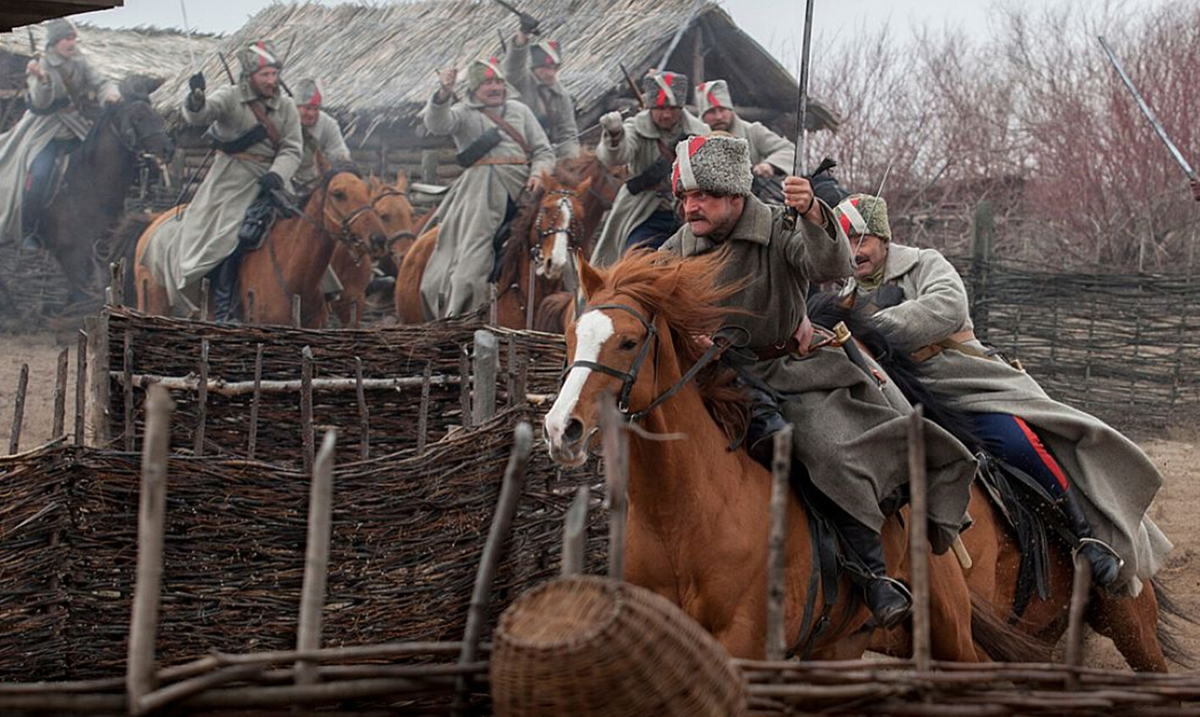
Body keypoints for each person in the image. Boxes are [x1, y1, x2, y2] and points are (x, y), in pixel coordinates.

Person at [660, 136, 978, 628]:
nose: (690, 207)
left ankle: (872, 575)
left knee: (829, 451)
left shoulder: (779, 227)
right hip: (716, 381)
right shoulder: (677, 248)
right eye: (685, 197)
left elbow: (831, 266)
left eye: (701, 195)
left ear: (733, 195)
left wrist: (811, 213)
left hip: (790, 373)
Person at [836, 193, 1172, 593]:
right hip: (900, 399)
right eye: (847, 243)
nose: (856, 253)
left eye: (862, 240)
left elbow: (947, 306)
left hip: (963, 385)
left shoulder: (925, 264)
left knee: (1016, 441)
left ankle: (1086, 535)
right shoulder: (846, 298)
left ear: (883, 238)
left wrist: (873, 328)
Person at [141, 40, 302, 321]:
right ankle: (224, 308)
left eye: (274, 74)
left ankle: (316, 301)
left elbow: (292, 147)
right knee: (227, 237)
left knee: (305, 231)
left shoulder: (287, 106)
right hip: (231, 181)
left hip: (274, 181)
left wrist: (277, 174)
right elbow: (200, 115)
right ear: (251, 76)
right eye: (265, 75)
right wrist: (196, 99)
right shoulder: (230, 97)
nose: (271, 80)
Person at [420, 58, 554, 319]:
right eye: (488, 83)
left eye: (499, 82)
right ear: (474, 88)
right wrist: (443, 94)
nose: (495, 88)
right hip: (481, 196)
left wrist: (539, 174)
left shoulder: (520, 111)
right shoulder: (463, 112)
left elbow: (543, 151)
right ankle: (461, 315)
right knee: (472, 263)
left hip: (525, 191)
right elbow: (437, 124)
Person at [0, 19, 120, 250]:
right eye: (68, 38)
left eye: (74, 38)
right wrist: (42, 79)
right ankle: (29, 231)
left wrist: (111, 95)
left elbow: (102, 82)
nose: (73, 43)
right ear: (55, 42)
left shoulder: (80, 61)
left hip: (76, 126)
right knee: (40, 174)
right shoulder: (41, 65)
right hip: (46, 129)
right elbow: (40, 102)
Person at [589, 70, 709, 266]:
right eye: (660, 108)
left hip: (690, 214)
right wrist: (615, 134)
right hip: (644, 214)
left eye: (672, 108)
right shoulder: (635, 127)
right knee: (632, 263)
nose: (667, 114)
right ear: (650, 106)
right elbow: (617, 156)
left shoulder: (700, 132)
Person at [503, 25, 580, 160]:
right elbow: (513, 65)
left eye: (554, 68)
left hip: (550, 155)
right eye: (545, 68)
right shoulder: (520, 80)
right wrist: (522, 37)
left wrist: (571, 159)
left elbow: (568, 133)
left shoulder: (562, 96)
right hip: (517, 153)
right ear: (535, 68)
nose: (551, 73)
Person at [292, 78, 351, 192]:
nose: (311, 113)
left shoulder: (328, 125)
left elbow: (339, 153)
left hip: (313, 184)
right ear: (297, 106)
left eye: (316, 109)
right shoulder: (284, 118)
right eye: (307, 108)